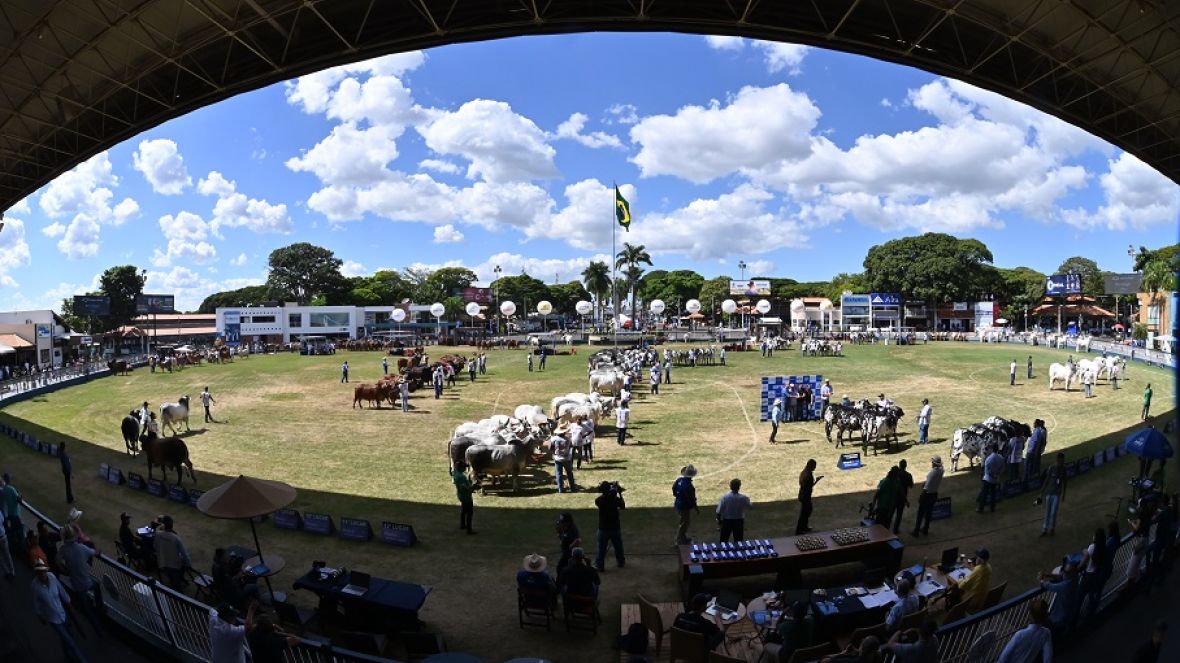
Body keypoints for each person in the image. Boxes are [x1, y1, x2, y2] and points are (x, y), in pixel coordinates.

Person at [31, 558, 89, 662]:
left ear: (46, 570)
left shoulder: (52, 577)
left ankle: (67, 653)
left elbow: (62, 591)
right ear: (36, 573)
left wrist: (70, 605)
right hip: (53, 619)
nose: (42, 573)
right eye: (39, 572)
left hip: (63, 613)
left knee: (68, 636)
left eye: (43, 571)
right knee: (71, 642)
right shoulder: (35, 586)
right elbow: (36, 603)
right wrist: (40, 615)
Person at [59, 524, 104, 631]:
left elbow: (57, 560)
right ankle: (100, 609)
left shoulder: (63, 550)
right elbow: (95, 553)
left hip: (76, 585)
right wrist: (99, 551)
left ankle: (97, 629)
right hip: (86, 582)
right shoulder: (82, 548)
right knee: (97, 585)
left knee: (87, 609)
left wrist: (65, 571)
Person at [995, 598, 1052, 663]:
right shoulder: (1046, 633)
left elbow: (1005, 655)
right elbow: (1048, 657)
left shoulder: (1020, 634)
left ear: (1031, 615)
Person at [1038, 562, 1080, 639]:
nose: (1064, 573)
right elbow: (1061, 576)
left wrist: (1041, 580)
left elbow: (1050, 586)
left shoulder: (1067, 585)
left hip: (1059, 618)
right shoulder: (1074, 577)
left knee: (1053, 635)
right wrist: (1048, 575)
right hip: (1063, 614)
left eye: (1066, 572)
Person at [947, 548, 992, 614]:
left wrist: (961, 578)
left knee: (955, 588)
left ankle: (953, 609)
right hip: (982, 598)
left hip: (972, 600)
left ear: (980, 560)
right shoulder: (989, 567)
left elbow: (962, 585)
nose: (976, 558)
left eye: (977, 557)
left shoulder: (978, 570)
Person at [594, 481, 626, 571]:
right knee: (618, 546)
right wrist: (619, 493)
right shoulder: (615, 499)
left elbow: (603, 498)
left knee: (601, 548)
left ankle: (600, 565)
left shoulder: (598, 500)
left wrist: (611, 493)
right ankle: (621, 562)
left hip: (603, 528)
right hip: (615, 527)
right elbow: (623, 506)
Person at [154, 515, 191, 591]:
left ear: (163, 525)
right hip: (174, 565)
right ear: (172, 525)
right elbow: (184, 554)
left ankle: (174, 582)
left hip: (163, 563)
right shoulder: (175, 538)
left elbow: (155, 546)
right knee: (177, 586)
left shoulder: (157, 534)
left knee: (171, 577)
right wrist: (188, 564)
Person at [1078, 527, 1107, 622]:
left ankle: (1076, 618)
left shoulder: (1092, 547)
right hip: (1096, 575)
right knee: (1092, 595)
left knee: (1080, 596)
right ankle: (1090, 614)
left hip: (1089, 575)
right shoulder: (1103, 547)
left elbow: (1084, 561)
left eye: (1095, 535)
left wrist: (1085, 552)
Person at [912, 456, 944, 537]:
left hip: (927, 494)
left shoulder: (932, 472)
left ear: (934, 463)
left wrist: (922, 495)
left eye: (932, 462)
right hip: (934, 494)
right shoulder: (941, 471)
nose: (931, 463)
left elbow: (926, 487)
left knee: (920, 513)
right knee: (929, 513)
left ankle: (916, 531)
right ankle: (925, 529)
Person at [1039, 452, 1068, 535]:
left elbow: (1065, 481)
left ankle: (1052, 528)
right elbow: (1047, 480)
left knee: (1054, 512)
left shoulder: (1064, 469)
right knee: (1047, 511)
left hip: (1057, 494)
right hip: (1049, 492)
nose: (1061, 462)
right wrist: (1042, 491)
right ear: (1057, 460)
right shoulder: (1051, 468)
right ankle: (1045, 529)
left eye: (1062, 461)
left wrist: (1064, 494)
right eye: (1060, 460)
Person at [717, 478, 753, 542]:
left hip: (727, 521)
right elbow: (750, 507)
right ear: (739, 487)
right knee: (738, 540)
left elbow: (719, 511)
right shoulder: (743, 498)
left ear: (730, 486)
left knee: (723, 540)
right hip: (738, 521)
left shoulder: (725, 497)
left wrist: (719, 521)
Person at [673, 464, 699, 546]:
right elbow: (692, 499)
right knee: (684, 523)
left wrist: (677, 496)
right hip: (684, 507)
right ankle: (678, 541)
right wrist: (696, 508)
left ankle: (683, 538)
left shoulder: (679, 480)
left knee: (683, 522)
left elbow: (674, 488)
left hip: (678, 503)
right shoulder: (689, 486)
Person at [977, 445, 1004, 513]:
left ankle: (981, 508)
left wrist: (990, 475)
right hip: (995, 479)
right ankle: (992, 508)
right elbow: (1002, 468)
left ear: (992, 449)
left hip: (988, 479)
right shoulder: (1001, 458)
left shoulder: (989, 459)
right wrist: (997, 475)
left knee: (984, 494)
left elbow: (987, 470)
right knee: (993, 494)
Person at [797, 459, 821, 535]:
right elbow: (809, 486)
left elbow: (805, 485)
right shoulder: (808, 475)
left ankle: (804, 527)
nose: (815, 467)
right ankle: (800, 530)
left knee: (806, 511)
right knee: (805, 512)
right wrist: (816, 481)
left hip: (803, 495)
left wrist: (816, 481)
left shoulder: (804, 472)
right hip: (806, 496)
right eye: (814, 466)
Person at [554, 512, 581, 580]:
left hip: (569, 553)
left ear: (568, 522)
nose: (562, 523)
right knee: (564, 569)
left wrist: (571, 546)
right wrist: (559, 533)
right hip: (565, 552)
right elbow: (563, 538)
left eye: (563, 522)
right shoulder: (564, 527)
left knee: (560, 568)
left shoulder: (573, 529)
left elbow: (578, 540)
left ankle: (560, 583)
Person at [2, 471, 24, 548]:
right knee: (20, 531)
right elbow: (19, 500)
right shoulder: (12, 489)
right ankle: (21, 548)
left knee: (14, 531)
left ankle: (15, 546)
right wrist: (20, 495)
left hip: (10, 513)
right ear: (9, 479)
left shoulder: (4, 489)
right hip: (15, 514)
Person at [892, 459, 914, 535]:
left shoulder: (895, 474)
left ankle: (886, 527)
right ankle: (895, 529)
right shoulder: (908, 475)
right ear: (906, 466)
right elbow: (911, 486)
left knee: (890, 512)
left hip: (894, 496)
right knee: (899, 514)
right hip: (902, 498)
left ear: (899, 465)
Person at [453, 460, 475, 534]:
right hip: (466, 496)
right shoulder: (462, 477)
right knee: (469, 513)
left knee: (464, 510)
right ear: (461, 468)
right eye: (464, 467)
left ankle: (462, 525)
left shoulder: (456, 474)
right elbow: (466, 488)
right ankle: (469, 530)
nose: (465, 468)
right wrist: (473, 488)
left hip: (460, 495)